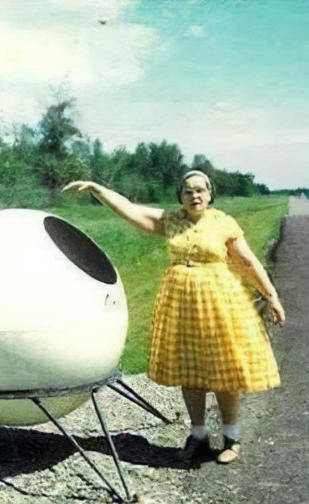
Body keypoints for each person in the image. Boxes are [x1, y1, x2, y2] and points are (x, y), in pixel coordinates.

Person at [62, 171, 285, 464]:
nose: (195, 196)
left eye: (200, 190)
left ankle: (231, 437)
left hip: (220, 303)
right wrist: (96, 189)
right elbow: (129, 208)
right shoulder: (171, 221)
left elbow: (247, 261)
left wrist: (271, 295)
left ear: (210, 194)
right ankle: (198, 436)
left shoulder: (224, 223)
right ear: (180, 196)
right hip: (182, 304)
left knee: (225, 369)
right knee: (189, 371)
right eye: (188, 191)